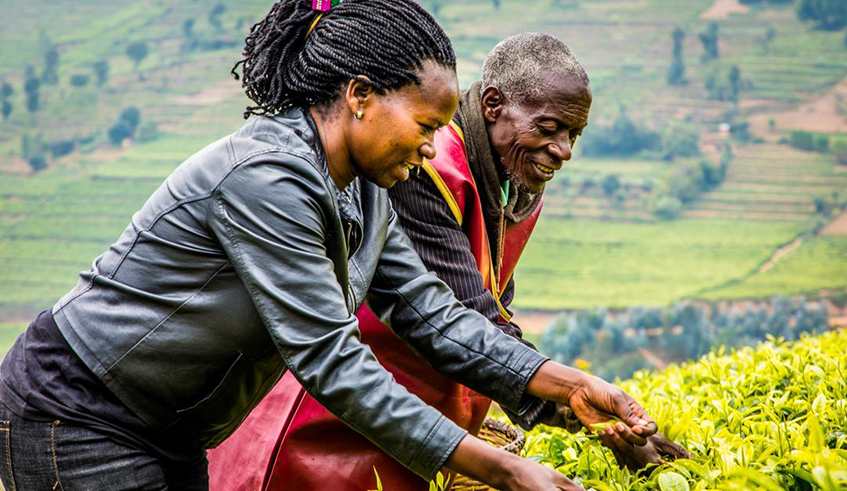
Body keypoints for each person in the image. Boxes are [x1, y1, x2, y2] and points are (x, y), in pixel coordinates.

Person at [0, 2, 657, 490]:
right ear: (360, 95)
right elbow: (331, 360)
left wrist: (568, 385)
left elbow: (430, 312)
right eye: (425, 125)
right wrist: (503, 469)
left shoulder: (364, 186)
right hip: (77, 412)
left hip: (167, 427)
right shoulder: (267, 177)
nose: (433, 146)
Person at [207, 33, 689, 491]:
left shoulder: (512, 182)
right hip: (334, 416)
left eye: (573, 135)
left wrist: (579, 402)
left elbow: (480, 317)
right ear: (494, 105)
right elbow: (456, 320)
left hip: (413, 419)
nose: (563, 150)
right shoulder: (420, 169)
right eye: (548, 129)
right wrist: (563, 409)